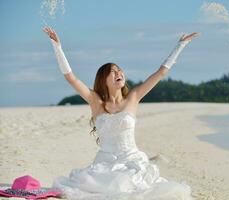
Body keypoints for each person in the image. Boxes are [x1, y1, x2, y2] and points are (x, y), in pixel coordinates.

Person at [43, 26, 199, 200]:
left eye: (119, 70)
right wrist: (57, 47)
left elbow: (161, 72)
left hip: (132, 162)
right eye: (113, 71)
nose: (119, 73)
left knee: (131, 185)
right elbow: (70, 77)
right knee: (96, 187)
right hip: (104, 163)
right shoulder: (96, 102)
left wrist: (181, 45)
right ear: (104, 80)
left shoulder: (133, 97)